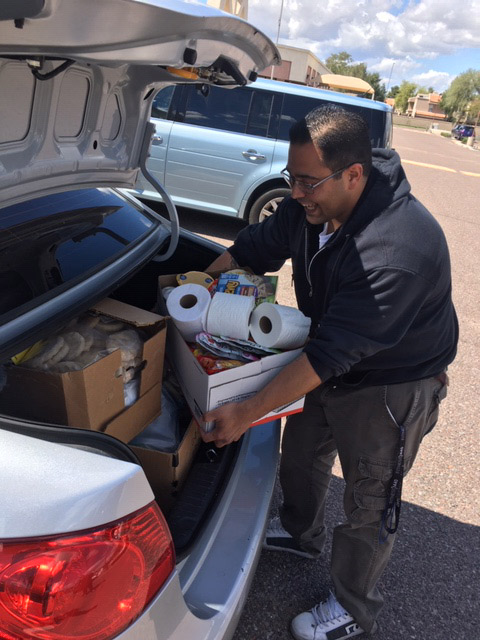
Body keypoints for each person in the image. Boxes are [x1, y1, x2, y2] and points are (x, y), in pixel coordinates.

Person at [201, 104, 458, 640]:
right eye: (292, 177)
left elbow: (329, 356)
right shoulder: (310, 205)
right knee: (301, 455)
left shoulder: (398, 248)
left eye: (308, 182)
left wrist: (245, 414)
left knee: (370, 498)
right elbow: (251, 249)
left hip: (392, 383)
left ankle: (354, 609)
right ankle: (300, 533)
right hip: (328, 355)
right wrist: (193, 292)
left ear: (354, 174)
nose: (296, 193)